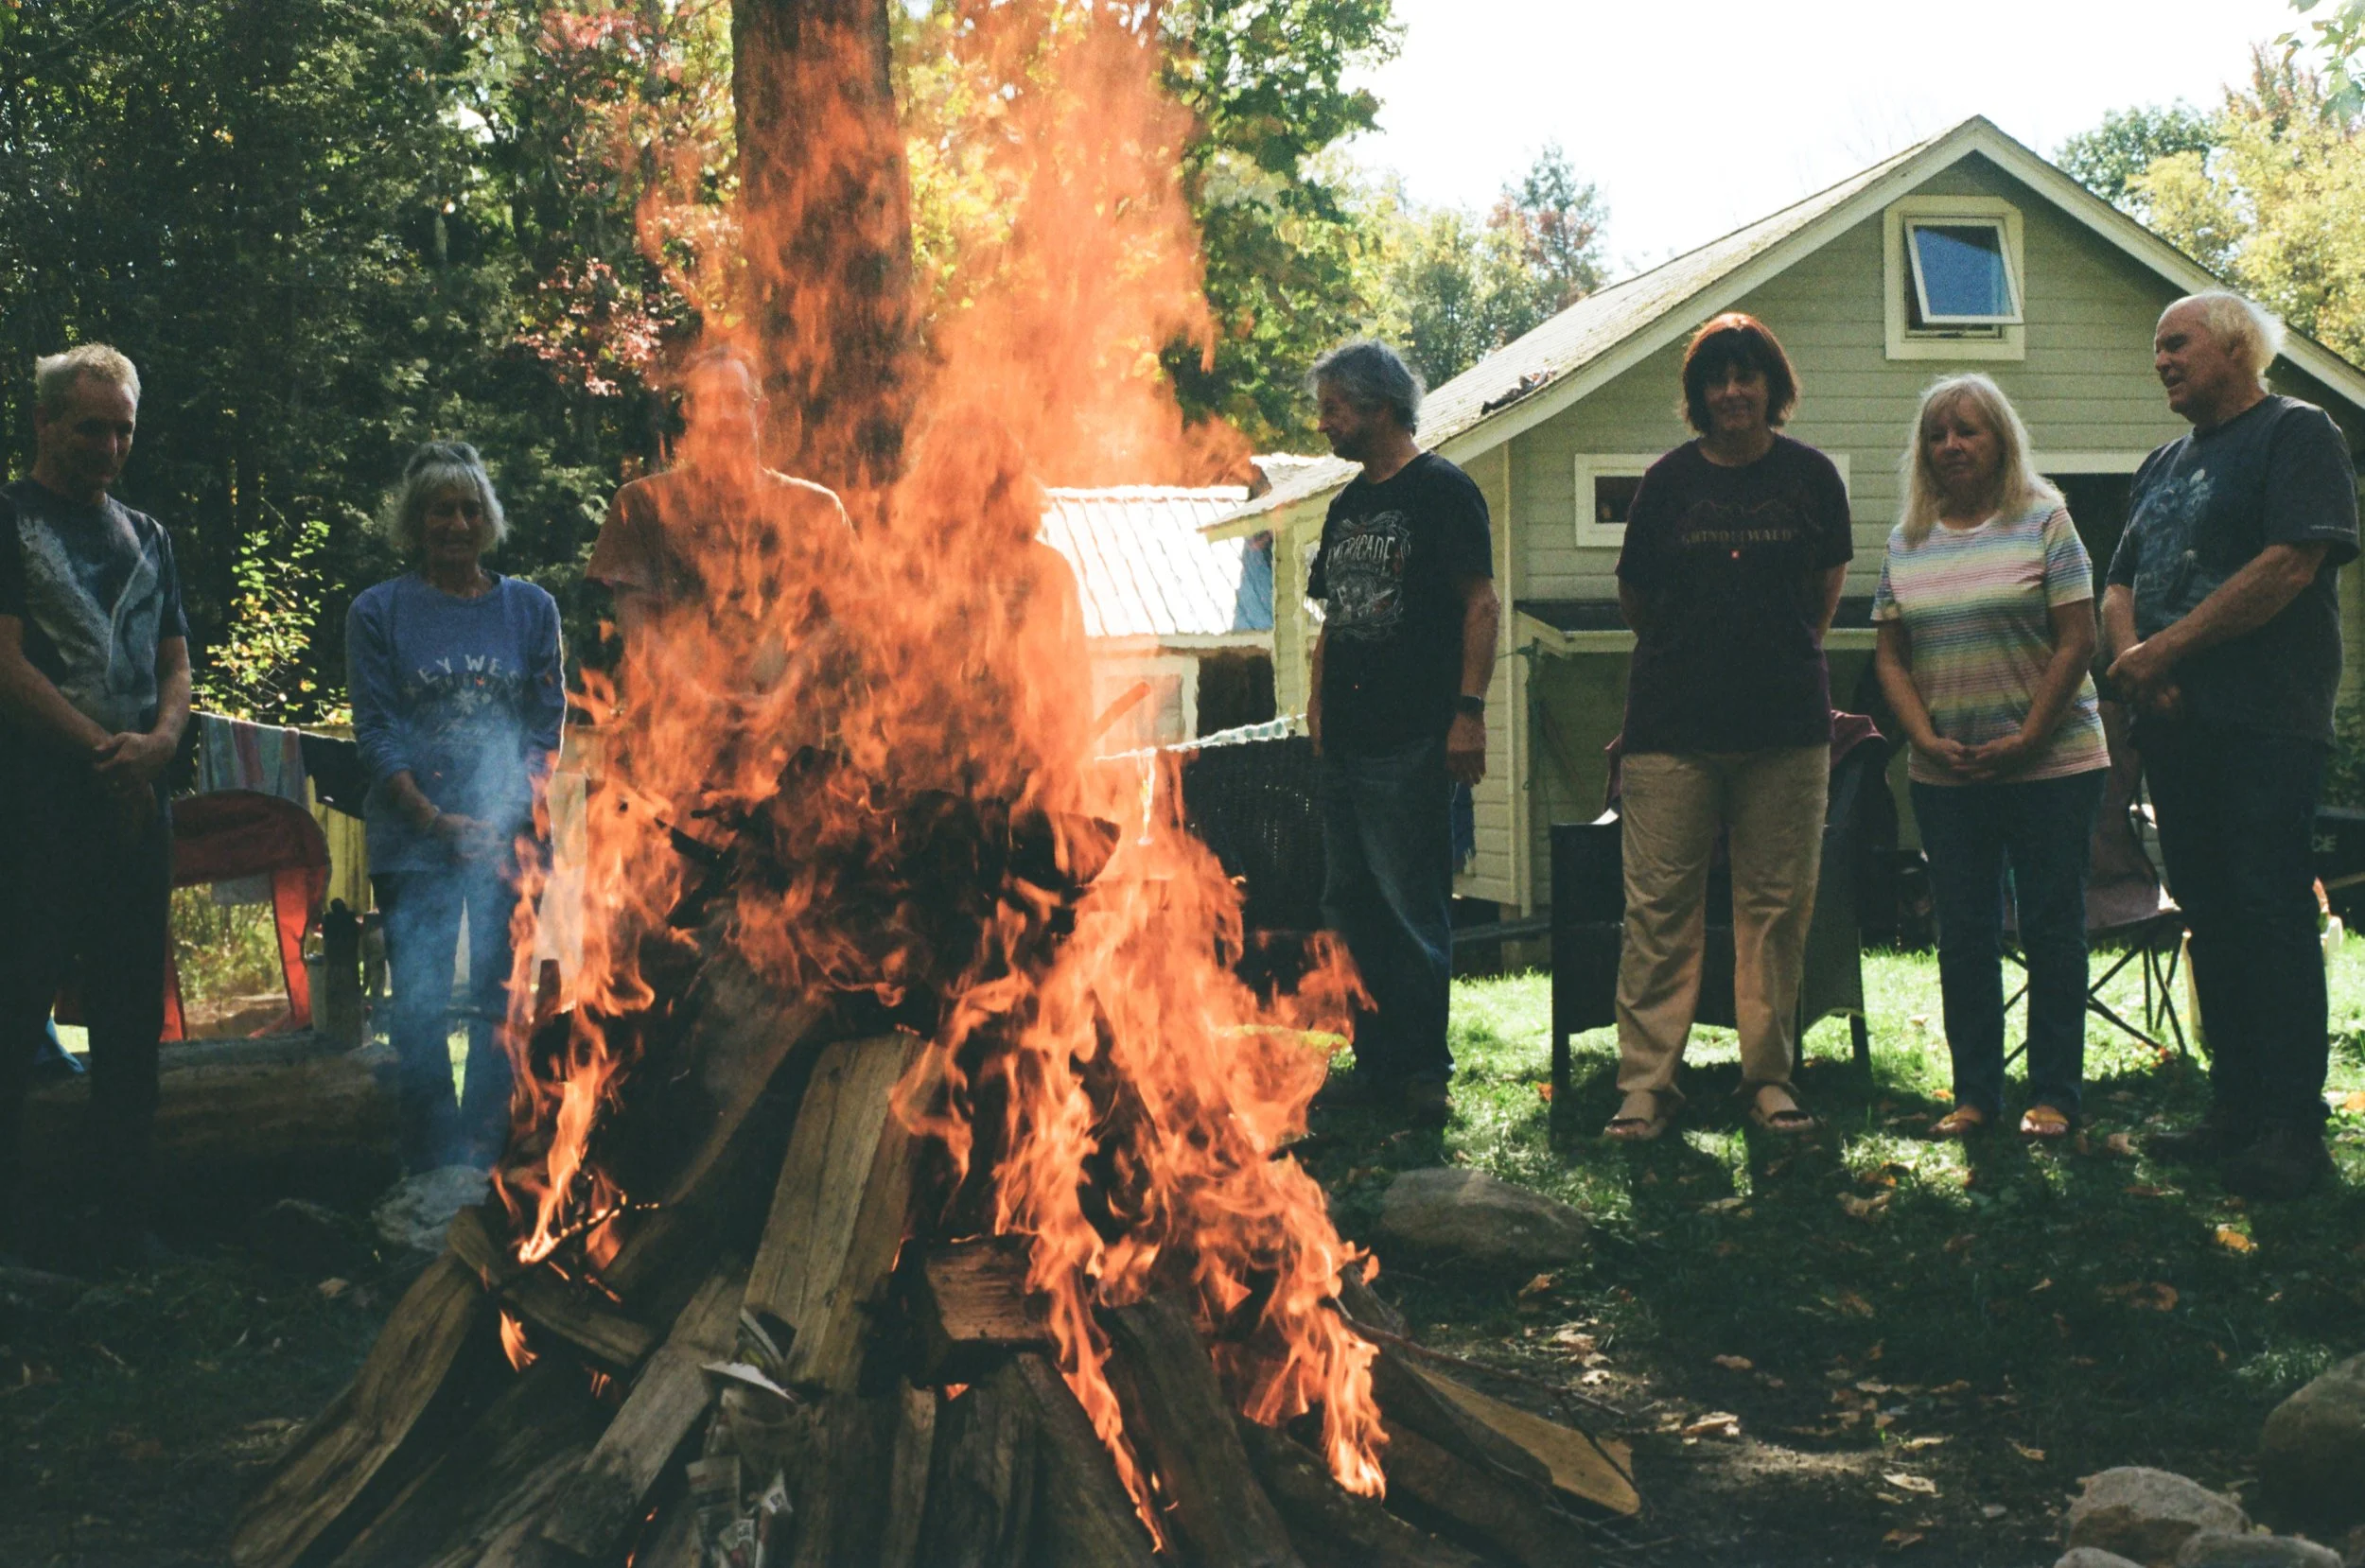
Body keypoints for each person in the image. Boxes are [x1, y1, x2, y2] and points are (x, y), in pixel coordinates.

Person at [2103, 291, 2359, 1200]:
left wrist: (2168, 651)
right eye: (2156, 347)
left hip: (2266, 722)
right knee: (2210, 911)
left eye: (2177, 343)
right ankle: (2236, 1108)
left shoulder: (2297, 433)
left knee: (2270, 910)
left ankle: (2295, 1128)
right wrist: (2140, 662)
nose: (2161, 359)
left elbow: (2292, 562)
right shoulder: (2162, 463)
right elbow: (2120, 582)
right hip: (2177, 726)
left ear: (2235, 347)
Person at [1605, 313, 1851, 1141]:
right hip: (1672, 728)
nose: (1732, 392)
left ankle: (1768, 1079)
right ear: (1698, 395)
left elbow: (1823, 594)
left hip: (1785, 725)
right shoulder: (1667, 483)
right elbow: (1637, 599)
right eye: (1717, 378)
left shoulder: (1814, 478)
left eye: (1747, 376)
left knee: (1775, 908)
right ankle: (1646, 1085)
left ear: (1773, 388)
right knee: (1659, 909)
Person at [1872, 375, 2110, 1141]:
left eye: (1969, 431)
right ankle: (1975, 1096)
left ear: (2000, 440)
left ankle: (2055, 1098)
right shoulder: (1906, 540)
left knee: (2051, 926)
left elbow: (2079, 639)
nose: (1951, 446)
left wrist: (2031, 736)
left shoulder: (2046, 520)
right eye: (1938, 434)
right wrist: (1924, 737)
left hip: (2052, 764)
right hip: (1949, 775)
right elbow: (1890, 657)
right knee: (1964, 932)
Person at [0, 343, 189, 1263]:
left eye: (123, 429)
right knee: (14, 1000)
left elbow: (176, 663)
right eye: (91, 426)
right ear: (44, 422)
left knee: (127, 1016)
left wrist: (158, 742)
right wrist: (104, 750)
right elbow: (5, 663)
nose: (110, 445)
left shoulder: (149, 535)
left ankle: (123, 1219)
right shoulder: (8, 516)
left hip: (131, 809)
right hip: (33, 806)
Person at [349, 443, 565, 1174]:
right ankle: (429, 1165)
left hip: (511, 839)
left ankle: (486, 1158)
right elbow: (374, 731)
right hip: (415, 840)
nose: (457, 522)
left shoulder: (530, 608)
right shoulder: (378, 611)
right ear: (416, 520)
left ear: (489, 520)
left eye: (471, 509)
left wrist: (506, 816)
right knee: (419, 1008)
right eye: (442, 508)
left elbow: (545, 727)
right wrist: (435, 821)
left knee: (501, 1003)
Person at [1305, 340, 1499, 1128]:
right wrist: (1317, 713)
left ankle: (1424, 1071)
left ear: (1378, 406)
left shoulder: (1443, 492)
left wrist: (1468, 713)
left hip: (1412, 739)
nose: (1325, 426)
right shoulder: (1346, 506)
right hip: (1346, 744)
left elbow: (1479, 605)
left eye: (1333, 409)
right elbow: (1332, 620)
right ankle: (1375, 1063)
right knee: (1351, 906)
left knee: (1411, 904)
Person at [587, 346, 855, 729]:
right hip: (676, 748)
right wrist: (699, 704)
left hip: (791, 748)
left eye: (735, 400)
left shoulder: (817, 509)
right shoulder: (643, 506)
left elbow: (840, 619)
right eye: (709, 402)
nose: (724, 416)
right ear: (689, 413)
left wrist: (782, 697)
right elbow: (638, 627)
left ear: (760, 412)